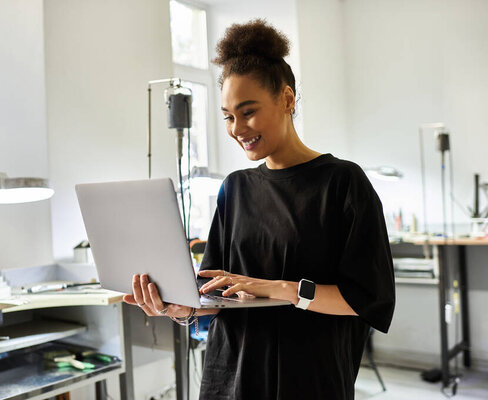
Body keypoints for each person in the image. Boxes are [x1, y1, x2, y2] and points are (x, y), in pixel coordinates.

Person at [123, 19, 395, 400]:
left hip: (309, 379)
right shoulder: (234, 188)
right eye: (228, 116)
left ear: (286, 99)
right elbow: (216, 299)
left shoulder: (343, 183)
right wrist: (177, 308)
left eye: (248, 111)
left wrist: (278, 289)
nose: (237, 128)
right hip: (230, 376)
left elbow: (367, 298)